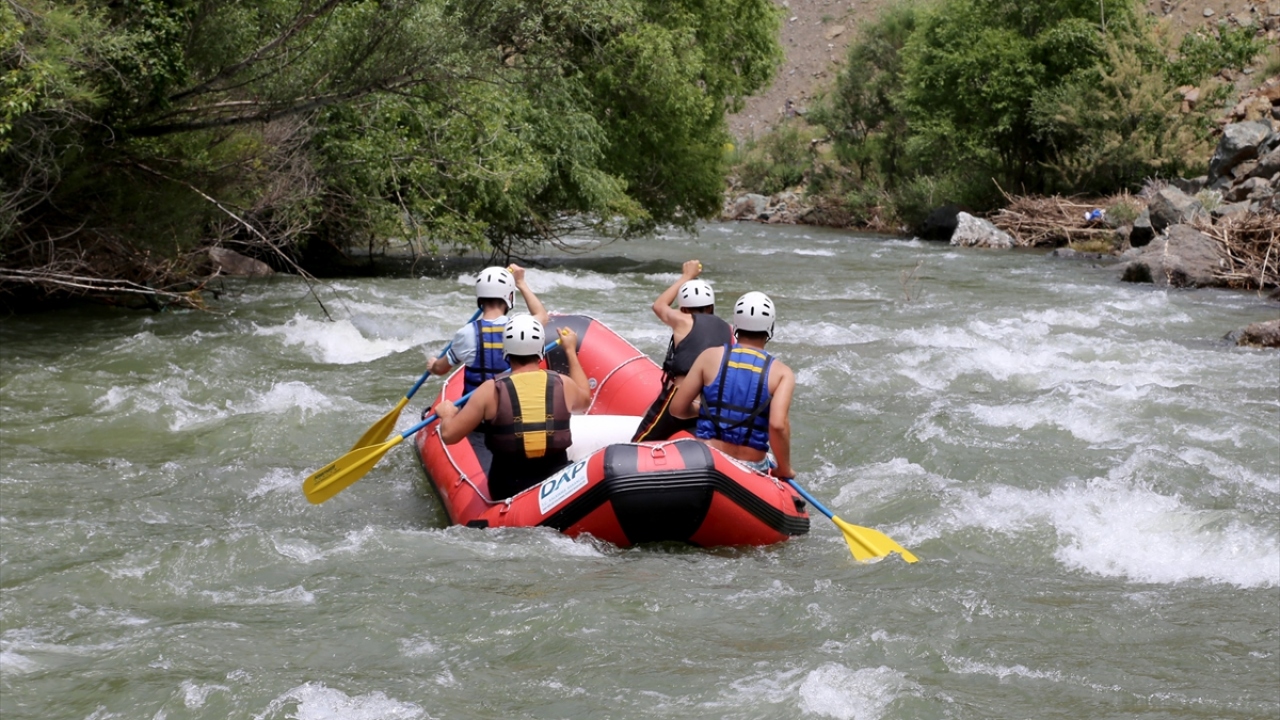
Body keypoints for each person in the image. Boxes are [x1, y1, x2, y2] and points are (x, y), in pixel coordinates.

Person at [436, 316, 592, 500]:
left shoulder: (489, 390)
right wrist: (570, 351)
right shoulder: (563, 383)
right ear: (541, 349)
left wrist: (447, 414)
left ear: (506, 350)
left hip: (507, 488)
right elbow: (585, 400)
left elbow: (449, 436)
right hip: (554, 486)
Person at [667, 291, 796, 480]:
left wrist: (708, 410)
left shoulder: (709, 356)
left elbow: (677, 409)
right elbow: (777, 425)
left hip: (707, 458)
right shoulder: (782, 373)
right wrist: (784, 469)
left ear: (735, 324)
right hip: (751, 465)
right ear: (770, 328)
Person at [631, 260, 732, 442]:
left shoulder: (682, 319)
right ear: (711, 307)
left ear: (684, 308)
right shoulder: (728, 329)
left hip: (680, 399)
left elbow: (659, 305)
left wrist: (687, 276)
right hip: (710, 403)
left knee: (640, 443)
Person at [430, 265, 548, 394]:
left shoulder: (466, 333)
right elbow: (542, 316)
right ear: (510, 297)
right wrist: (520, 283)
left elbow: (440, 369)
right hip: (512, 408)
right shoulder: (520, 328)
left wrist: (433, 365)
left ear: (480, 298)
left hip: (476, 411)